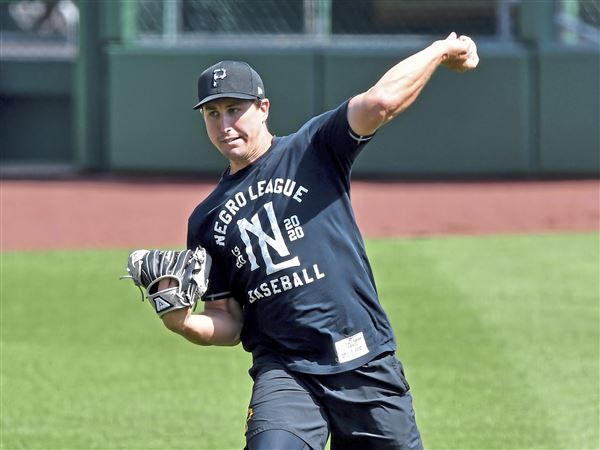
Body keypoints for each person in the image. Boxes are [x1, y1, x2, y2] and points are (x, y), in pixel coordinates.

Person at [160, 32, 479, 450]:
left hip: (365, 360)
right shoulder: (205, 219)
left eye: (234, 109)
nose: (224, 125)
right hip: (286, 372)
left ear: (263, 108)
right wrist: (181, 321)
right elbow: (228, 319)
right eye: (212, 113)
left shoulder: (313, 148)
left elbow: (380, 103)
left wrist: (440, 50)